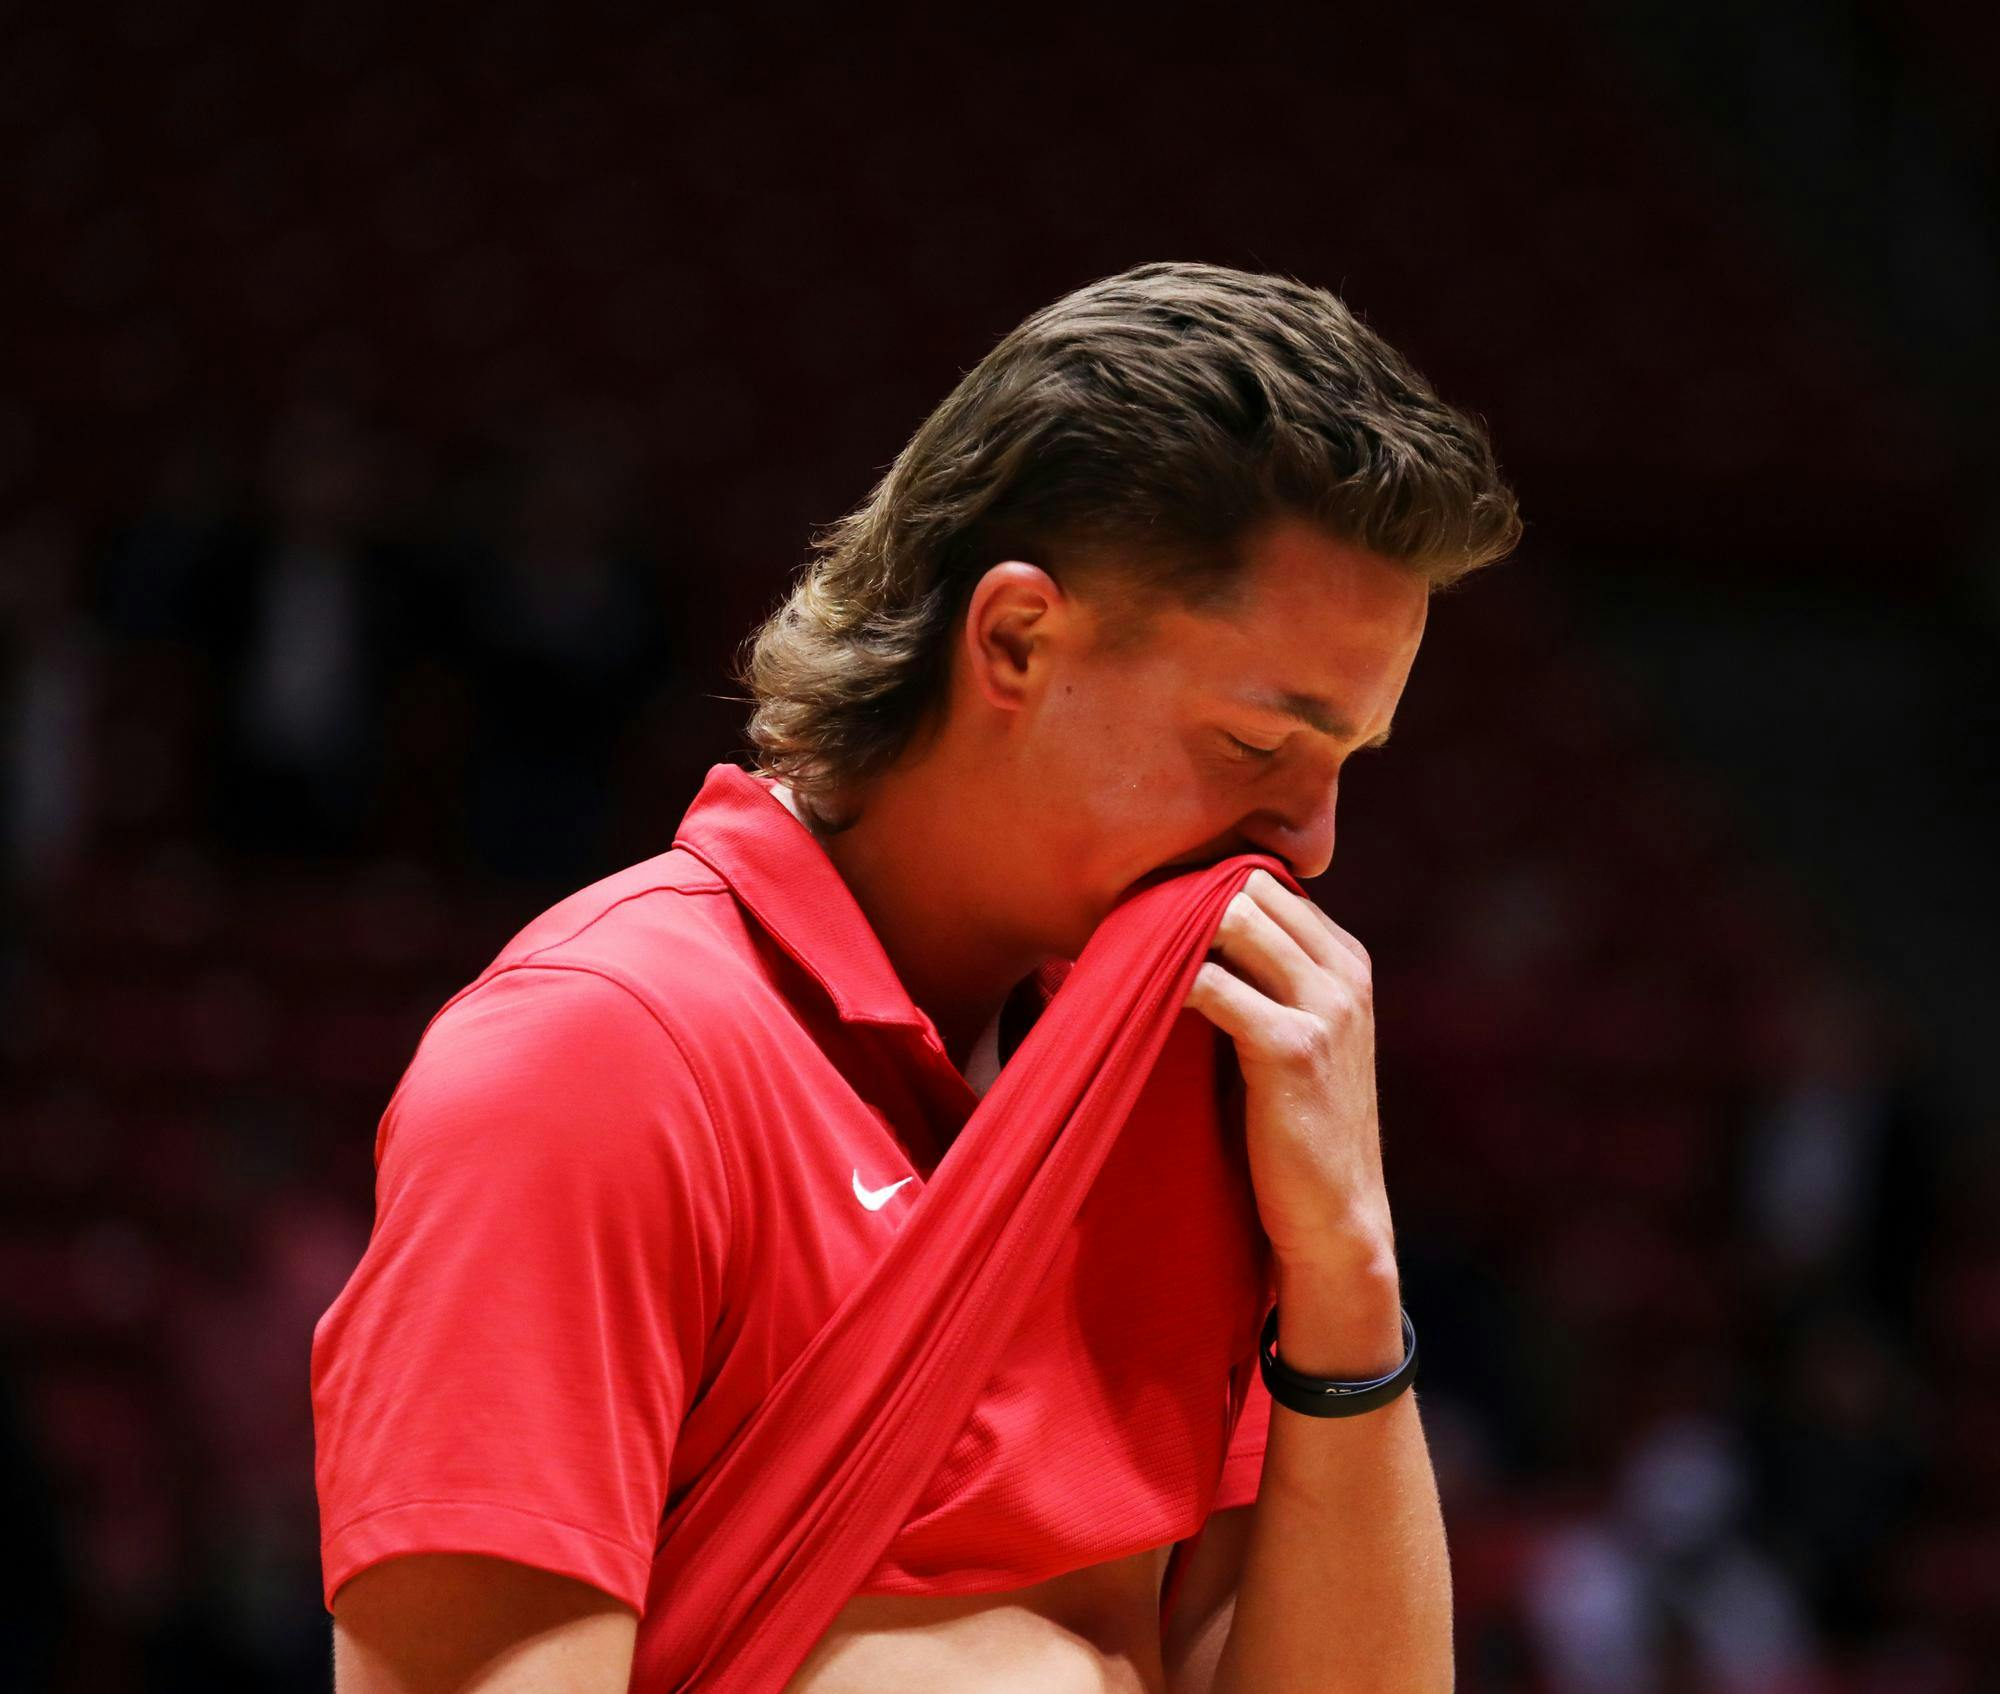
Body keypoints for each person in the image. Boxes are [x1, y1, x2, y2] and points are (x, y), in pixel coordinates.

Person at [312, 259, 1522, 1692]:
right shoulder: (598, 1059)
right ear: (1015, 638)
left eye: (1347, 765)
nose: (1311, 845)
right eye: (1262, 747)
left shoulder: (1194, 1083)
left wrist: (1347, 1270)